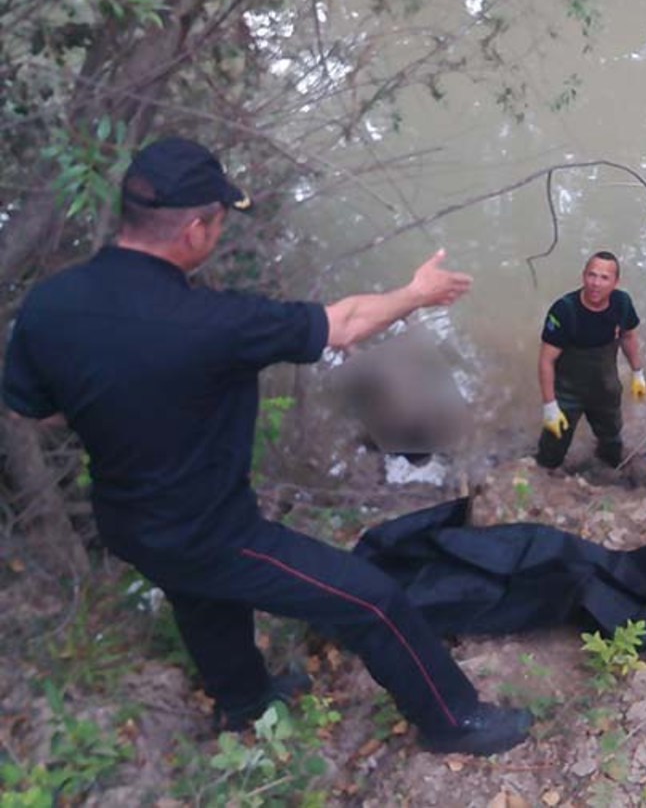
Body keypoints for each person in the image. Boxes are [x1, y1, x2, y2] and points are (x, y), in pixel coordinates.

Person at [2, 137, 531, 755]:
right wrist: (417, 293)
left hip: (125, 521)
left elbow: (33, 410)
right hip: (210, 532)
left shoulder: (51, 304)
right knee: (372, 599)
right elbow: (346, 324)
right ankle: (454, 722)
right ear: (196, 229)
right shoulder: (216, 323)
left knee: (200, 601)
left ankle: (245, 702)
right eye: (220, 221)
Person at [536, 251, 646, 470]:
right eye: (591, 275)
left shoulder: (622, 303)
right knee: (552, 449)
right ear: (583, 276)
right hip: (567, 391)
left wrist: (638, 373)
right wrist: (550, 405)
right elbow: (546, 361)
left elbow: (628, 336)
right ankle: (545, 478)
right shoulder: (564, 310)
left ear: (616, 282)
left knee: (612, 441)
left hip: (605, 387)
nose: (596, 283)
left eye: (604, 278)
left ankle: (609, 473)